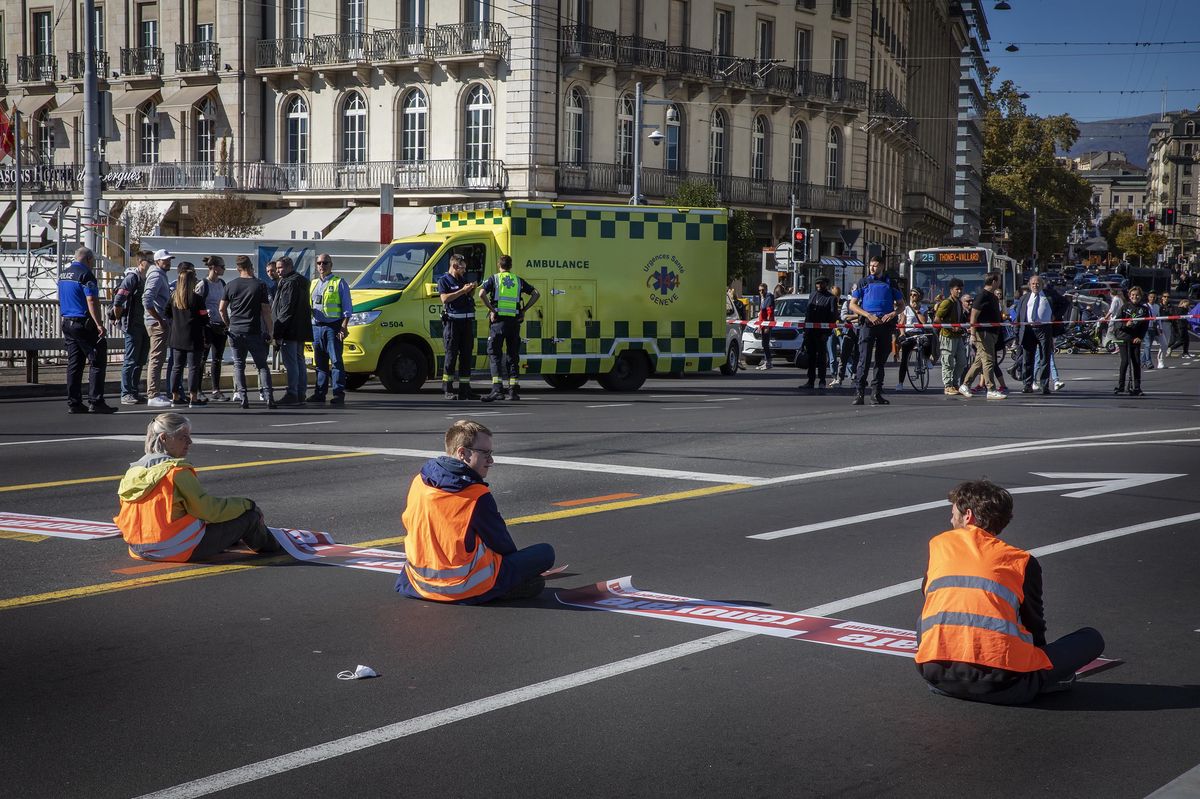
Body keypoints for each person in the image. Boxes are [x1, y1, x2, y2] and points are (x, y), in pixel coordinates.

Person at [915, 479, 1105, 705]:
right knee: (1092, 638)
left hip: (936, 673)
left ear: (968, 516)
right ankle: (1043, 683)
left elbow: (930, 597)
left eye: (953, 513)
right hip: (1003, 683)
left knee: (925, 618)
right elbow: (1034, 624)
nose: (950, 519)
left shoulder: (939, 545)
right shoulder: (1022, 562)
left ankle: (957, 682)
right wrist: (1040, 665)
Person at [395, 419, 555, 603]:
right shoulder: (475, 495)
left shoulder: (419, 482)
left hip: (418, 582)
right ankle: (497, 590)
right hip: (461, 586)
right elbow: (503, 545)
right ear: (462, 453)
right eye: (485, 453)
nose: (491, 460)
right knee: (545, 553)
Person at [114, 413, 282, 562]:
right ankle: (278, 548)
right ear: (164, 438)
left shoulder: (133, 470)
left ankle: (231, 539)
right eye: (183, 437)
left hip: (138, 548)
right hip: (174, 550)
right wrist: (246, 504)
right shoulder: (176, 471)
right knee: (249, 516)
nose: (190, 442)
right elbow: (209, 510)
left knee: (197, 516)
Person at [58, 246, 115, 415]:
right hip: (83, 322)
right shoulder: (86, 275)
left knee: (74, 364)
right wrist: (99, 324)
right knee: (97, 360)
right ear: (89, 259)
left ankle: (74, 402)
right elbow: (91, 299)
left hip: (67, 321)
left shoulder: (63, 274)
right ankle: (96, 401)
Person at [478, 255, 539, 402]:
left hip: (498, 322)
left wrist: (492, 309)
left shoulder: (494, 279)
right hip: (514, 323)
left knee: (495, 355)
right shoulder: (518, 280)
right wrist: (524, 310)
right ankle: (513, 392)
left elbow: (481, 293)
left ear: (499, 265)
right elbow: (536, 293)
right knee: (512, 356)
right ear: (510, 266)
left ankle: (497, 390)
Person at [220, 254, 277, 410]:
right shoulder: (260, 285)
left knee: (239, 365)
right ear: (250, 266)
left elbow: (221, 308)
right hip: (253, 330)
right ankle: (268, 397)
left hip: (235, 331)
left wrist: (228, 324)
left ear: (238, 268)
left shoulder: (230, 285)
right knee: (262, 366)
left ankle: (243, 397)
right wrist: (270, 331)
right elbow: (266, 311)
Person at [848, 255, 903, 405]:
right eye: (870, 265)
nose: (872, 268)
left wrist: (892, 313)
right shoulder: (863, 282)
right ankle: (859, 393)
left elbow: (901, 305)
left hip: (885, 325)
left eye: (875, 265)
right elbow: (852, 305)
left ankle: (876, 393)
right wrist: (868, 315)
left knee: (880, 361)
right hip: (868, 324)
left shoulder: (891, 283)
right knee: (863, 360)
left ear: (882, 267)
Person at [307, 253, 351, 406]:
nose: (321, 266)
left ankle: (338, 394)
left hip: (333, 327)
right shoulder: (313, 284)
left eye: (325, 263)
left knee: (336, 361)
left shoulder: (339, 283)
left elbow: (347, 308)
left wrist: (343, 327)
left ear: (331, 265)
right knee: (320, 363)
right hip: (316, 327)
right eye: (319, 263)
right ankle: (320, 393)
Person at [957, 271, 1006, 400]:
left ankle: (965, 385)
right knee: (989, 360)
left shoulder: (993, 297)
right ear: (994, 281)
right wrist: (973, 334)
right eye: (999, 280)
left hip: (992, 333)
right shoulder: (982, 296)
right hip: (983, 333)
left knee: (979, 362)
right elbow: (973, 316)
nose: (1000, 283)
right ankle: (991, 388)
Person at [166, 263, 209, 408]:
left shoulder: (173, 297)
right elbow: (204, 318)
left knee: (177, 367)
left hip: (177, 337)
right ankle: (193, 398)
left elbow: (167, 314)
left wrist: (175, 323)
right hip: (194, 337)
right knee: (193, 368)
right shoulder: (197, 299)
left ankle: (175, 396)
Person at [271, 255, 312, 406]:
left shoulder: (289, 282)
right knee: (299, 361)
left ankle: (293, 393)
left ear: (289, 267)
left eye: (280, 268)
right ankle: (301, 393)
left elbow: (286, 309)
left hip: (289, 329)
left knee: (292, 363)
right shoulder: (302, 280)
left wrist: (277, 331)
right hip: (301, 329)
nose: (278, 271)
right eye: (277, 268)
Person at [439, 253, 479, 400]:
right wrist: (462, 290)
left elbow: (467, 297)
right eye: (462, 268)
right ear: (454, 266)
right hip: (453, 324)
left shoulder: (462, 279)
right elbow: (444, 298)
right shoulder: (444, 281)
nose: (464, 271)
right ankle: (448, 389)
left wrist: (471, 289)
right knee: (451, 356)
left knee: (466, 357)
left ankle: (465, 390)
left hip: (467, 324)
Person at [113, 252, 150, 405]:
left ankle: (134, 391)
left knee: (140, 360)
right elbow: (119, 300)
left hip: (144, 325)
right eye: (150, 261)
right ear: (141, 262)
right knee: (130, 360)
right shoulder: (132, 278)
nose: (153, 264)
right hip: (132, 325)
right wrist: (117, 317)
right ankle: (126, 392)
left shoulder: (147, 279)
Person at [144, 249, 175, 408]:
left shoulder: (160, 274)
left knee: (158, 357)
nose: (168, 262)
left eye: (169, 259)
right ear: (157, 261)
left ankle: (154, 392)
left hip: (157, 321)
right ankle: (153, 394)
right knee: (156, 358)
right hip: (157, 323)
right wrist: (159, 319)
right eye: (165, 260)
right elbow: (147, 300)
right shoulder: (156, 276)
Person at [1014, 274, 1055, 395]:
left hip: (1044, 329)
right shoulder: (1025, 298)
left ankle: (1044, 385)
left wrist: (1056, 315)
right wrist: (1017, 332)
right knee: (1027, 359)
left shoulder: (1049, 296)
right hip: (1028, 330)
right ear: (1029, 285)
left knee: (1044, 358)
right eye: (1033, 284)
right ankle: (1027, 385)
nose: (1035, 286)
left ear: (1041, 285)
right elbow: (1019, 316)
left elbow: (1064, 303)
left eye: (1037, 283)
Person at [199, 256, 229, 401]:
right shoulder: (203, 284)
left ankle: (216, 390)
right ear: (215, 268)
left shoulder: (222, 283)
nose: (224, 269)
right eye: (222, 266)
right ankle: (197, 390)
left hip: (220, 325)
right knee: (202, 358)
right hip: (207, 326)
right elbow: (196, 305)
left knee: (217, 358)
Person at [1112, 284, 1149, 396]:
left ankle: (1136, 387)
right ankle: (1121, 386)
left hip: (1135, 339)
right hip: (1123, 337)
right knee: (1125, 361)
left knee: (1136, 362)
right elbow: (1117, 322)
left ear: (1141, 296)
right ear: (1129, 296)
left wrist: (1140, 337)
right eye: (1133, 295)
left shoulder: (1144, 309)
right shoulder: (1124, 307)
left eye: (1137, 295)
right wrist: (1125, 324)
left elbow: (1145, 325)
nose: (1135, 297)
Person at [933, 278, 968, 396]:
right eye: (957, 289)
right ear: (951, 290)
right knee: (948, 362)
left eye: (960, 289)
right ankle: (948, 386)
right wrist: (951, 328)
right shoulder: (947, 303)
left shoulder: (958, 302)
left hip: (958, 337)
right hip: (947, 337)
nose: (959, 291)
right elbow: (937, 320)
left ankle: (954, 383)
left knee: (962, 361)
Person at [801, 275, 837, 390]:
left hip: (822, 332)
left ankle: (822, 381)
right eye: (817, 284)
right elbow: (808, 313)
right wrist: (805, 330)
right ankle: (810, 381)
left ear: (826, 285)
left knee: (821, 358)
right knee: (810, 357)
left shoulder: (830, 298)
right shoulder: (812, 295)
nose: (819, 286)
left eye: (821, 284)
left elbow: (832, 316)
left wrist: (827, 333)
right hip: (810, 331)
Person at [895, 288, 929, 392]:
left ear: (919, 296)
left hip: (919, 332)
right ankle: (900, 383)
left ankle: (926, 359)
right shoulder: (905, 308)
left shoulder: (924, 308)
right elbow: (901, 322)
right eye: (911, 295)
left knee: (926, 342)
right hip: (909, 332)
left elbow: (924, 322)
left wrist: (917, 311)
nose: (912, 297)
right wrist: (902, 333)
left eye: (915, 295)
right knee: (905, 357)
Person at [755, 282, 776, 370]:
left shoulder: (768, 297)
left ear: (766, 289)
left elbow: (769, 311)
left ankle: (768, 363)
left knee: (766, 344)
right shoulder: (763, 298)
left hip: (767, 323)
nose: (761, 292)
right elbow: (761, 313)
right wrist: (760, 325)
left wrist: (767, 325)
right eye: (759, 290)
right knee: (764, 343)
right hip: (763, 323)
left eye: (762, 290)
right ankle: (766, 362)